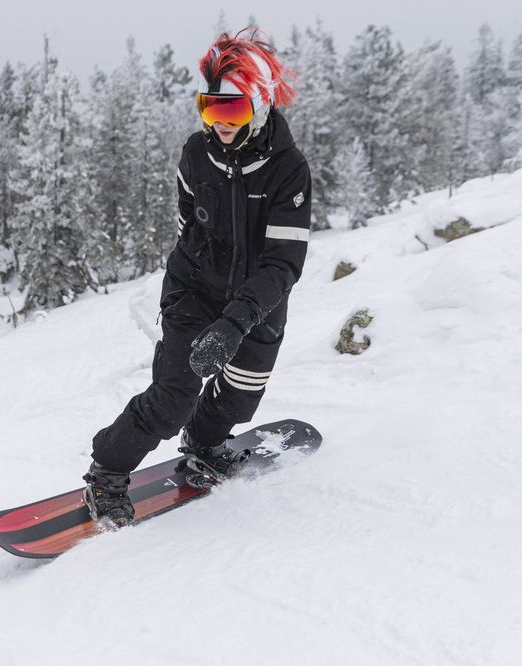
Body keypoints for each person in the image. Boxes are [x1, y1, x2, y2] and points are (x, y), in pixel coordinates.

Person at [82, 26, 312, 526]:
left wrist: (235, 323)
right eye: (210, 109)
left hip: (260, 303)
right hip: (195, 292)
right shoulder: (196, 154)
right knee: (173, 398)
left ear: (261, 106)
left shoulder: (288, 170)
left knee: (241, 395)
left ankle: (205, 443)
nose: (221, 123)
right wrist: (195, 301)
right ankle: (107, 472)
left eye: (233, 110)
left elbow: (283, 262)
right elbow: (190, 226)